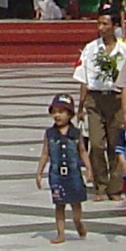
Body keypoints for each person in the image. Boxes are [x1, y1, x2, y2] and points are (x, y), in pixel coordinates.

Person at [73, 4, 126, 214]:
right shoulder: (90, 49)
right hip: (95, 100)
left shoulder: (125, 51)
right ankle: (100, 183)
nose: (101, 27)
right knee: (96, 143)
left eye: (105, 24)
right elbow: (83, 78)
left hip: (116, 99)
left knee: (115, 143)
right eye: (99, 23)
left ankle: (115, 187)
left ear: (115, 26)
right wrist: (81, 106)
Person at [35, 93, 88, 242]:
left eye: (61, 112)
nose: (57, 115)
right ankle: (61, 233)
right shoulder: (50, 134)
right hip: (56, 175)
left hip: (74, 175)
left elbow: (83, 151)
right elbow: (45, 153)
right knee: (59, 204)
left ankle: (78, 222)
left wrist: (89, 170)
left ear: (70, 114)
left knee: (76, 203)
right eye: (54, 112)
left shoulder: (76, 133)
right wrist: (39, 172)